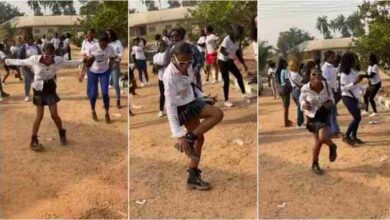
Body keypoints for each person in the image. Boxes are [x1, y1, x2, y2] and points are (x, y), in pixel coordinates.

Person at [163, 41, 223, 190]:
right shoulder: (169, 76)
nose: (185, 66)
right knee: (200, 138)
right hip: (181, 108)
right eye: (182, 63)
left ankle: (190, 140)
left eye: (188, 62)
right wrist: (178, 133)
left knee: (217, 114)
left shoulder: (189, 65)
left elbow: (191, 85)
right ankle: (193, 176)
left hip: (192, 102)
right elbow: (169, 106)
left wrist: (203, 98)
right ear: (174, 58)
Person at [5, 43, 84, 151]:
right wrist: (6, 60)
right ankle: (33, 140)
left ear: (54, 54)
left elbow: (70, 63)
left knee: (54, 115)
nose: (48, 58)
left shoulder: (58, 60)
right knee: (39, 116)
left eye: (51, 56)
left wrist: (83, 60)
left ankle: (62, 132)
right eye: (47, 55)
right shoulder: (34, 59)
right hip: (38, 89)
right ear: (43, 53)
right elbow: (20, 62)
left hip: (50, 88)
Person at [300, 68, 337, 175]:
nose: (316, 75)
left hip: (324, 113)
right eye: (313, 74)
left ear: (321, 75)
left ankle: (332, 146)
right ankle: (315, 164)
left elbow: (332, 97)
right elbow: (301, 100)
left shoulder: (326, 85)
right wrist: (304, 104)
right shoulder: (305, 88)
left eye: (319, 73)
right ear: (309, 76)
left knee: (322, 138)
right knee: (317, 142)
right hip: (312, 115)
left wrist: (330, 102)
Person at [80, 32, 116, 123]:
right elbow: (86, 62)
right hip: (93, 72)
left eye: (105, 45)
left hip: (104, 72)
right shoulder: (93, 48)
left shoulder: (110, 48)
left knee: (105, 93)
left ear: (108, 43)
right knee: (93, 94)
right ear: (99, 42)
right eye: (101, 44)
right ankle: (93, 110)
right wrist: (82, 73)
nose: (103, 46)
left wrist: (110, 68)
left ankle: (107, 113)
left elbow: (112, 58)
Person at [217, 24, 250, 107]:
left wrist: (244, 64)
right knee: (226, 80)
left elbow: (238, 53)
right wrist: (229, 56)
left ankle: (244, 94)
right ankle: (226, 100)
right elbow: (222, 50)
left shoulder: (238, 40)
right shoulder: (227, 39)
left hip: (230, 61)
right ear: (235, 32)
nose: (239, 35)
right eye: (239, 33)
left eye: (241, 33)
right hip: (223, 61)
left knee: (239, 76)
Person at [340, 52, 365, 146]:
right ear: (349, 60)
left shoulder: (353, 71)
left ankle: (354, 136)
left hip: (355, 97)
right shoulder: (344, 74)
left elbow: (357, 84)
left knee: (358, 118)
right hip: (347, 97)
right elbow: (343, 88)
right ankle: (346, 135)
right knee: (357, 117)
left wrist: (364, 88)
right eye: (354, 59)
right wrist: (355, 82)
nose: (355, 60)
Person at [321, 50, 340, 138]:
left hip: (333, 92)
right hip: (328, 93)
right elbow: (325, 81)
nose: (334, 58)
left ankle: (334, 131)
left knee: (333, 112)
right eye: (332, 57)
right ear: (327, 57)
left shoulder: (332, 67)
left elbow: (333, 80)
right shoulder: (324, 68)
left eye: (334, 56)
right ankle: (331, 132)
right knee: (330, 113)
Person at [19, 34, 42, 102]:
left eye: (30, 38)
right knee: (27, 81)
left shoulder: (36, 46)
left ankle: (37, 95)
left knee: (36, 81)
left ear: (32, 39)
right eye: (28, 39)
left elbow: (40, 55)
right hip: (26, 67)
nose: (29, 40)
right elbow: (20, 58)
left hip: (35, 67)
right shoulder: (23, 47)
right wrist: (24, 65)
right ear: (25, 40)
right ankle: (27, 95)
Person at [107, 29, 124, 108]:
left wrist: (116, 59)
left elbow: (121, 53)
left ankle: (118, 101)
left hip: (114, 64)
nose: (108, 36)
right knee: (104, 84)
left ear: (112, 35)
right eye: (106, 34)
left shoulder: (118, 42)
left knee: (116, 84)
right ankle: (106, 102)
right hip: (105, 66)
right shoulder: (105, 43)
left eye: (109, 34)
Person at [362, 53, 382, 117]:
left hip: (376, 84)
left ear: (372, 59)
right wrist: (369, 84)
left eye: (368, 59)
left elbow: (371, 75)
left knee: (371, 98)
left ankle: (375, 112)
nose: (368, 60)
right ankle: (366, 110)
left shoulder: (375, 66)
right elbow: (368, 76)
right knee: (365, 96)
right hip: (371, 84)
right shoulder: (369, 66)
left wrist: (361, 76)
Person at [153, 40, 168, 117]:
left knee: (170, 93)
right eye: (159, 45)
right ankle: (161, 110)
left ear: (165, 45)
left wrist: (160, 66)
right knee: (162, 94)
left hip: (169, 77)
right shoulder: (155, 56)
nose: (161, 46)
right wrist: (159, 66)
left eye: (162, 44)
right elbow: (155, 68)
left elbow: (168, 64)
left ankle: (169, 108)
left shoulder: (168, 54)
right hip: (161, 77)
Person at [288, 57, 304, 127]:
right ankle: (300, 123)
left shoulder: (290, 73)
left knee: (299, 107)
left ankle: (299, 120)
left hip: (293, 91)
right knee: (300, 107)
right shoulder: (296, 74)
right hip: (298, 91)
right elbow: (302, 82)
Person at [276, 58, 292, 127]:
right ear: (283, 64)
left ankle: (287, 120)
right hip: (285, 89)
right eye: (286, 64)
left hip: (280, 89)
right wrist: (291, 87)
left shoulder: (278, 72)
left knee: (284, 105)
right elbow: (287, 81)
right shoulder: (284, 71)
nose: (287, 65)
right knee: (286, 107)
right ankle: (286, 122)